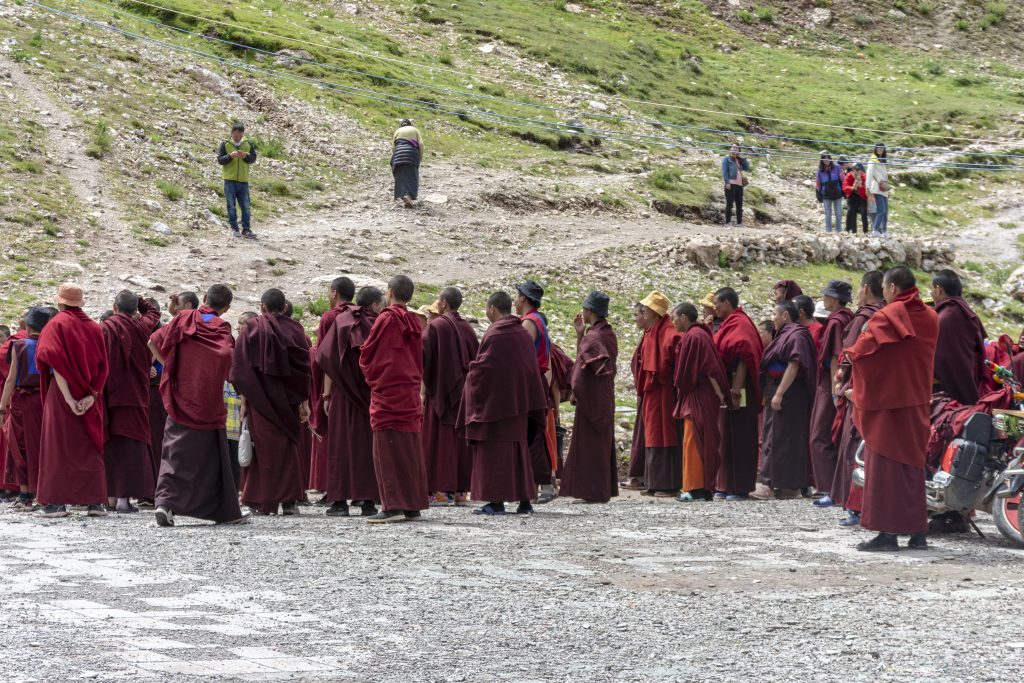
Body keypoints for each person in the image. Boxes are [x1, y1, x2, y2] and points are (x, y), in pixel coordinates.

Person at [847, 267, 938, 551]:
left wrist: (850, 373)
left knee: (884, 467)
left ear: (894, 288)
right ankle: (917, 533)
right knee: (912, 466)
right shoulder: (932, 316)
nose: (883, 293)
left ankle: (887, 534)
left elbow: (863, 355)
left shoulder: (886, 317)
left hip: (888, 403)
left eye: (885, 288)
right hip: (918, 401)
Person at [149, 284, 249, 527]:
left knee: (175, 453)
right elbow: (227, 361)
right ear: (226, 308)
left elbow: (152, 342)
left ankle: (165, 505)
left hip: (180, 398)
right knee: (211, 459)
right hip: (208, 402)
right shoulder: (222, 328)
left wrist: (170, 369)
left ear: (204, 298)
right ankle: (224, 511)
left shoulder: (183, 318)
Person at [459, 291, 548, 516]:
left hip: (497, 407)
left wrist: (471, 373)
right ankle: (524, 502)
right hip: (519, 404)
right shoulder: (521, 331)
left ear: (492, 309)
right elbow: (528, 368)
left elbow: (485, 369)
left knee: (494, 453)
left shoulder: (496, 333)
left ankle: (496, 502)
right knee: (519, 453)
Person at [229, 289, 311, 516]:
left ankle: (265, 501)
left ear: (262, 307)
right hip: (289, 402)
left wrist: (244, 400)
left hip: (260, 401)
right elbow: (304, 370)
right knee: (287, 448)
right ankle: (291, 501)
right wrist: (304, 402)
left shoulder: (251, 330)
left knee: (264, 450)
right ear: (285, 307)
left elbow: (241, 372)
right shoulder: (296, 330)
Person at [34, 283, 109, 518]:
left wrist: (68, 399)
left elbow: (55, 364)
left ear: (60, 302)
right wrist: (91, 395)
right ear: (81, 302)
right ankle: (95, 502)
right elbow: (103, 367)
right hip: (89, 394)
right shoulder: (95, 328)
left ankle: (55, 504)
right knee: (88, 445)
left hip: (62, 394)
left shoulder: (56, 324)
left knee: (58, 446)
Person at [359, 275, 429, 523]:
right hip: (409, 392)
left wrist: (372, 378)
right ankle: (412, 504)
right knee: (409, 450)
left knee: (387, 451)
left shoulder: (386, 319)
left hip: (388, 392)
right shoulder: (413, 321)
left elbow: (369, 355)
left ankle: (393, 506)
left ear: (389, 293)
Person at [317, 287, 384, 518]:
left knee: (341, 446)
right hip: (370, 394)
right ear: (374, 305)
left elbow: (328, 360)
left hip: (343, 394)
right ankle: (367, 502)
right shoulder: (379, 324)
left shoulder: (342, 321)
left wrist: (326, 395)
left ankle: (339, 503)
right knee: (365, 447)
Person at [100, 291, 161, 514]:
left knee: (111, 447)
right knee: (130, 449)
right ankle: (125, 500)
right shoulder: (142, 326)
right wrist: (138, 299)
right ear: (135, 310)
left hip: (111, 395)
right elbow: (154, 311)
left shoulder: (105, 327)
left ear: (114, 307)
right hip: (135, 396)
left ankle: (110, 498)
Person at [832, 271, 885, 525]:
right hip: (874, 389)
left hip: (861, 389)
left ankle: (855, 505)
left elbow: (851, 356)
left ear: (865, 289)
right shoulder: (883, 315)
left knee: (855, 445)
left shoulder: (868, 319)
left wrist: (843, 382)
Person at [422, 287, 479, 507]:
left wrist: (427, 385)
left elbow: (423, 357)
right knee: (459, 441)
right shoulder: (467, 328)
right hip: (463, 394)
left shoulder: (435, 326)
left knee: (439, 441)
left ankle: (442, 492)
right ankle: (461, 493)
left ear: (444, 303)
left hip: (440, 393)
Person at [754, 300, 817, 500]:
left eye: (774, 314)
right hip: (779, 388)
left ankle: (770, 485)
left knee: (780, 438)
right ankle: (788, 486)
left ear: (785, 316)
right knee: (781, 437)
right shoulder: (784, 334)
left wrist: (779, 392)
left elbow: (794, 364)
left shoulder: (797, 334)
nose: (772, 318)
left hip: (788, 391)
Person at [560, 292, 618, 504]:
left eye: (584, 308)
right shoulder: (605, 333)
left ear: (590, 311)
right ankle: (599, 491)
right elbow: (585, 362)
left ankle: (593, 492)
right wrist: (579, 334)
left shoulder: (593, 338)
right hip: (603, 397)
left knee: (589, 445)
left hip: (592, 399)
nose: (582, 312)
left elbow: (583, 371)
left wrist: (575, 389)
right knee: (598, 445)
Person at [671, 303, 727, 502]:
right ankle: (699, 487)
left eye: (674, 317)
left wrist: (719, 392)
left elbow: (708, 368)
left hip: (700, 394)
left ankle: (695, 488)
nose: (673, 321)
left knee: (693, 439)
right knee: (696, 438)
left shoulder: (695, 336)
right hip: (701, 393)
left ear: (684, 317)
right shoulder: (699, 334)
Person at [712, 287, 764, 500]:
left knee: (740, 435)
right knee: (725, 435)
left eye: (716, 303)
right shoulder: (729, 323)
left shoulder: (740, 323)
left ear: (726, 302)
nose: (714, 307)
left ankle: (740, 487)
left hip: (739, 387)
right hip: (729, 384)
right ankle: (724, 485)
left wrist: (735, 390)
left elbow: (744, 356)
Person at [309, 277, 357, 503]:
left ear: (335, 293)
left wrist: (323, 393)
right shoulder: (361, 315)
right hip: (358, 387)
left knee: (334, 438)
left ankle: (334, 490)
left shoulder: (330, 317)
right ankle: (359, 491)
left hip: (335, 386)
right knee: (357, 437)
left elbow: (324, 356)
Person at [808, 280, 853, 507]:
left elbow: (836, 356)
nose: (823, 300)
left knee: (819, 434)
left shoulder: (836, 321)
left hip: (831, 380)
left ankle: (827, 487)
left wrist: (836, 389)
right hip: (834, 380)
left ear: (834, 299)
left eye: (826, 296)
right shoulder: (846, 316)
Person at [0, 308, 51, 510]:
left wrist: (2, 406)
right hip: (42, 398)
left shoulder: (18, 345)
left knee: (19, 446)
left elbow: (11, 378)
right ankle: (41, 493)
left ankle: (24, 494)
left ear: (28, 326)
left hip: (21, 400)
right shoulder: (49, 345)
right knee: (40, 445)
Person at [514, 280, 558, 504]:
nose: (514, 300)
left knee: (530, 434)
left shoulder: (529, 323)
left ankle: (541, 486)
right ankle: (539, 485)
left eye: (517, 295)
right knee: (536, 433)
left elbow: (522, 357)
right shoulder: (539, 320)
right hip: (539, 381)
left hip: (530, 382)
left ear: (523, 298)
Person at [635, 291, 681, 497]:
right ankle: (653, 482)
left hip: (665, 392)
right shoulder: (651, 332)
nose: (642, 313)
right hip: (652, 392)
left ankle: (668, 484)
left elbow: (674, 364)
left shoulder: (670, 333)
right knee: (652, 434)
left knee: (664, 433)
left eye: (645, 310)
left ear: (654, 312)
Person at [931, 269, 986, 406]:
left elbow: (939, 357)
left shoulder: (943, 318)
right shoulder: (967, 311)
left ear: (938, 290)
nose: (931, 293)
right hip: (968, 376)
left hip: (943, 385)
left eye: (932, 289)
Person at [621, 302, 647, 490]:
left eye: (638, 314)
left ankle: (641, 477)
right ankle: (640, 476)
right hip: (645, 392)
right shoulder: (649, 334)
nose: (635, 318)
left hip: (653, 393)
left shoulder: (660, 334)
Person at [217, 122, 257, 239]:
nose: (237, 138)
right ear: (231, 133)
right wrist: (230, 156)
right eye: (235, 136)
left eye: (240, 136)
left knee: (245, 205)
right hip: (229, 180)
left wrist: (246, 157)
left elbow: (253, 159)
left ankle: (246, 229)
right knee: (231, 205)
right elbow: (220, 160)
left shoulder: (248, 144)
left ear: (243, 134)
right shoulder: (225, 144)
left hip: (243, 180)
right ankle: (234, 228)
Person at [392, 119, 422, 208]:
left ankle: (401, 195)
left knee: (400, 175)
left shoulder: (397, 131)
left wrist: (395, 159)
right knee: (412, 176)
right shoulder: (415, 130)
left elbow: (393, 147)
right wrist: (420, 157)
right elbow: (421, 143)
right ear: (410, 124)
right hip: (411, 153)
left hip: (398, 153)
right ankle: (408, 196)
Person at [815, 151, 844, 233]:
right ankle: (829, 231)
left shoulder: (837, 168)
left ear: (830, 159)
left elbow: (843, 179)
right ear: (822, 160)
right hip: (826, 195)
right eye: (824, 159)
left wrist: (844, 191)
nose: (826, 160)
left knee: (838, 213)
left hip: (837, 194)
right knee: (828, 214)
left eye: (828, 158)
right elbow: (818, 184)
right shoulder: (820, 171)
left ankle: (839, 231)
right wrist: (818, 195)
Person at [722, 143, 750, 226]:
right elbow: (724, 171)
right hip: (731, 184)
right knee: (729, 204)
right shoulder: (726, 159)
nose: (734, 149)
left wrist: (744, 159)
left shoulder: (739, 160)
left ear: (739, 151)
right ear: (730, 149)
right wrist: (727, 182)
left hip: (739, 185)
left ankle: (739, 222)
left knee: (739, 204)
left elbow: (747, 168)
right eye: (733, 147)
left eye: (737, 148)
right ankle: (728, 222)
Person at [866, 142, 890, 237]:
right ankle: (875, 230)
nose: (880, 149)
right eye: (878, 148)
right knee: (881, 210)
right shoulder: (873, 159)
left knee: (885, 211)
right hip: (876, 187)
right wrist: (867, 187)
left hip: (883, 188)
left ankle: (884, 231)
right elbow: (869, 174)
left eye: (881, 148)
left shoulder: (882, 160)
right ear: (875, 149)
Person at [843, 162, 870, 233]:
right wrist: (852, 187)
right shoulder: (849, 175)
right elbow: (844, 187)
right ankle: (851, 230)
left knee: (864, 212)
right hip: (852, 195)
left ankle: (865, 231)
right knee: (851, 211)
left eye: (858, 169)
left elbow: (867, 189)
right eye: (854, 169)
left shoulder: (864, 176)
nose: (856, 171)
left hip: (862, 196)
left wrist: (861, 186)